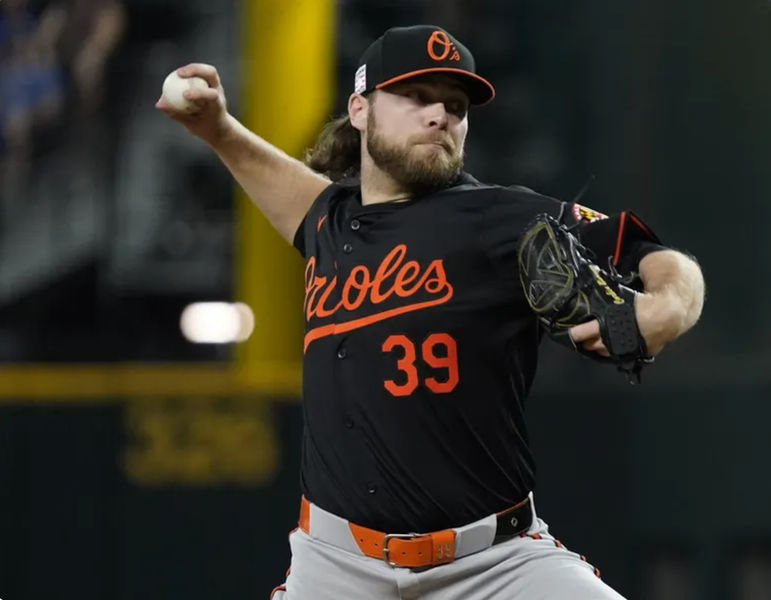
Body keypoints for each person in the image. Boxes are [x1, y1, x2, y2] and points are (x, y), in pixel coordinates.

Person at [157, 24, 705, 600]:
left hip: (494, 564)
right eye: (417, 97)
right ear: (360, 109)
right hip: (335, 567)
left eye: (456, 105)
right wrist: (219, 130)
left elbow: (654, 255)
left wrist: (668, 308)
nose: (440, 115)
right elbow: (282, 183)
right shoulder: (328, 222)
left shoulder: (504, 219)